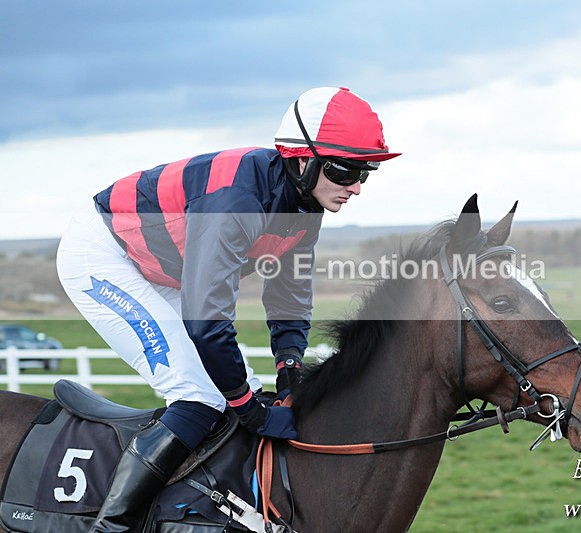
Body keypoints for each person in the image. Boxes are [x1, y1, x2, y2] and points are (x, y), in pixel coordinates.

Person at [56, 86, 400, 531]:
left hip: (164, 269)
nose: (354, 186)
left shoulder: (304, 204)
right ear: (302, 158)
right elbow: (208, 323)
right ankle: (111, 526)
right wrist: (249, 410)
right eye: (343, 170)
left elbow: (288, 293)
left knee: (241, 389)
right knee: (200, 394)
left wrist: (289, 365)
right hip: (104, 255)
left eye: (364, 173)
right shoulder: (235, 201)